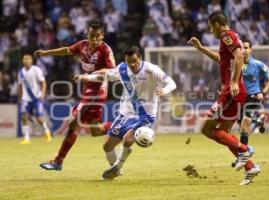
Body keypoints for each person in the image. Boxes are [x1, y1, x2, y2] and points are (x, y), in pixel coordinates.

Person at [75, 46, 176, 180]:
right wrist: (86, 77)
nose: (132, 64)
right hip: (125, 114)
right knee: (107, 146)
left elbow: (171, 83)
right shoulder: (122, 69)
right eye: (129, 61)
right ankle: (115, 170)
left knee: (127, 140)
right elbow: (104, 76)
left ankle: (117, 167)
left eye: (134, 61)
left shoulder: (151, 69)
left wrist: (164, 91)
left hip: (145, 115)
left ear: (140, 57)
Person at [188, 11, 260, 185]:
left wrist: (234, 82)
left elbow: (239, 56)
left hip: (230, 91)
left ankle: (245, 149)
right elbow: (221, 58)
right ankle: (250, 167)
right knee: (224, 133)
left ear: (217, 24)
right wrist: (201, 48)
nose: (209, 29)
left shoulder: (227, 35)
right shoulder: (230, 38)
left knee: (206, 128)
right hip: (236, 90)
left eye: (210, 26)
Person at [35, 21, 115, 171]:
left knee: (73, 123)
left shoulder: (105, 50)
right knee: (96, 131)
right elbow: (67, 50)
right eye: (92, 35)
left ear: (102, 35)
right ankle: (121, 126)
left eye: (98, 36)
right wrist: (47, 52)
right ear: (87, 34)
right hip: (87, 91)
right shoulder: (82, 45)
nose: (94, 38)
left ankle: (58, 161)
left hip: (97, 92)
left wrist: (91, 75)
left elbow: (112, 70)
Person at [234, 39, 269, 164]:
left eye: (246, 48)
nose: (243, 50)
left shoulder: (258, 64)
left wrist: (263, 92)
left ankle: (242, 155)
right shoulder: (236, 64)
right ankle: (258, 121)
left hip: (254, 96)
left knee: (245, 122)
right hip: (241, 98)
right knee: (243, 128)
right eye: (241, 48)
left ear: (251, 50)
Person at [18, 54, 52, 144]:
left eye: (28, 59)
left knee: (39, 119)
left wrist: (43, 93)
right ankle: (26, 138)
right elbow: (20, 85)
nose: (26, 60)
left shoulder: (36, 70)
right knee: (24, 117)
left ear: (31, 61)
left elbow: (43, 82)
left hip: (36, 98)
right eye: (25, 59)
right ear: (22, 61)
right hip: (25, 98)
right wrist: (20, 97)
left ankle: (47, 131)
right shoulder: (21, 72)